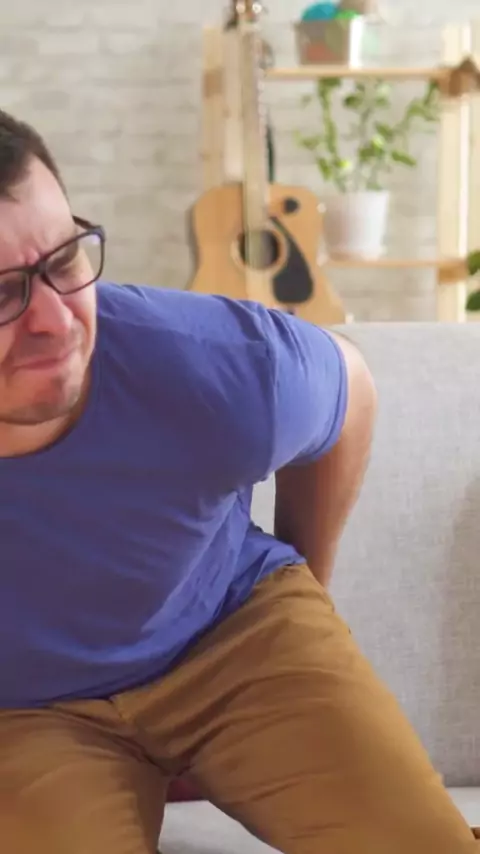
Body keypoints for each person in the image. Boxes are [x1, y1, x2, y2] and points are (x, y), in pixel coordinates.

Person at [0, 109, 476, 854]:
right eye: (2, 293)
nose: (58, 323)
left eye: (64, 261)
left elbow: (352, 388)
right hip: (28, 711)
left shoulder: (207, 362)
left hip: (235, 633)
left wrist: (309, 575)